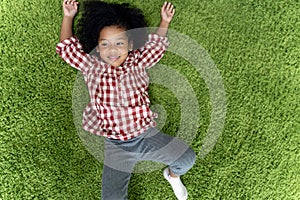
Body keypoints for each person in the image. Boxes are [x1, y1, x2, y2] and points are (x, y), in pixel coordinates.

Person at [56, 0, 196, 199]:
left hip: (145, 136)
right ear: (97, 47)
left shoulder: (137, 61)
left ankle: (172, 176)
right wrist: (68, 16)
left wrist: (164, 21)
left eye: (119, 43)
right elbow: (67, 50)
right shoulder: (91, 66)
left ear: (130, 45)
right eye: (105, 44)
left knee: (187, 158)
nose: (112, 50)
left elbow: (155, 48)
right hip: (116, 146)